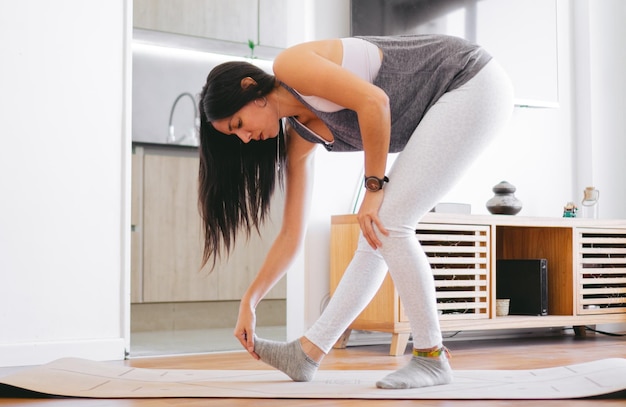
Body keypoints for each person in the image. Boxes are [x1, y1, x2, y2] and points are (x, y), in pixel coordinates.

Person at [197, 34, 514, 389]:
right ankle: (307, 354)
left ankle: (431, 356)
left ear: (249, 89)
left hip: (469, 80)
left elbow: (373, 101)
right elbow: (290, 235)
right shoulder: (299, 139)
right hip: (453, 97)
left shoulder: (292, 66)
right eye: (233, 136)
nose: (244, 138)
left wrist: (373, 188)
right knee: (378, 233)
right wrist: (250, 300)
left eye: (238, 125)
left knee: (390, 223)